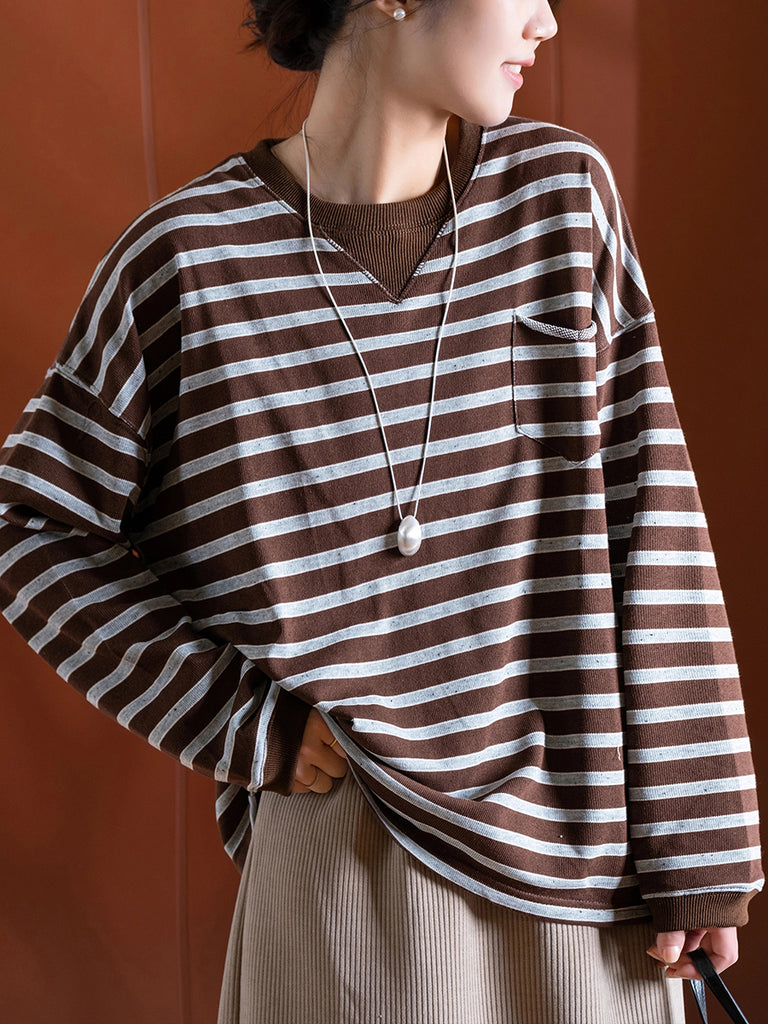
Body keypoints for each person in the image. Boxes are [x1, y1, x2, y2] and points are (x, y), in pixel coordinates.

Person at [0, 1, 762, 1021]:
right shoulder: (186, 261)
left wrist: (701, 844)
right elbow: (29, 526)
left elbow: (654, 521)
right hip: (347, 869)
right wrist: (238, 721)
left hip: (587, 867)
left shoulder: (559, 200)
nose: (545, 21)